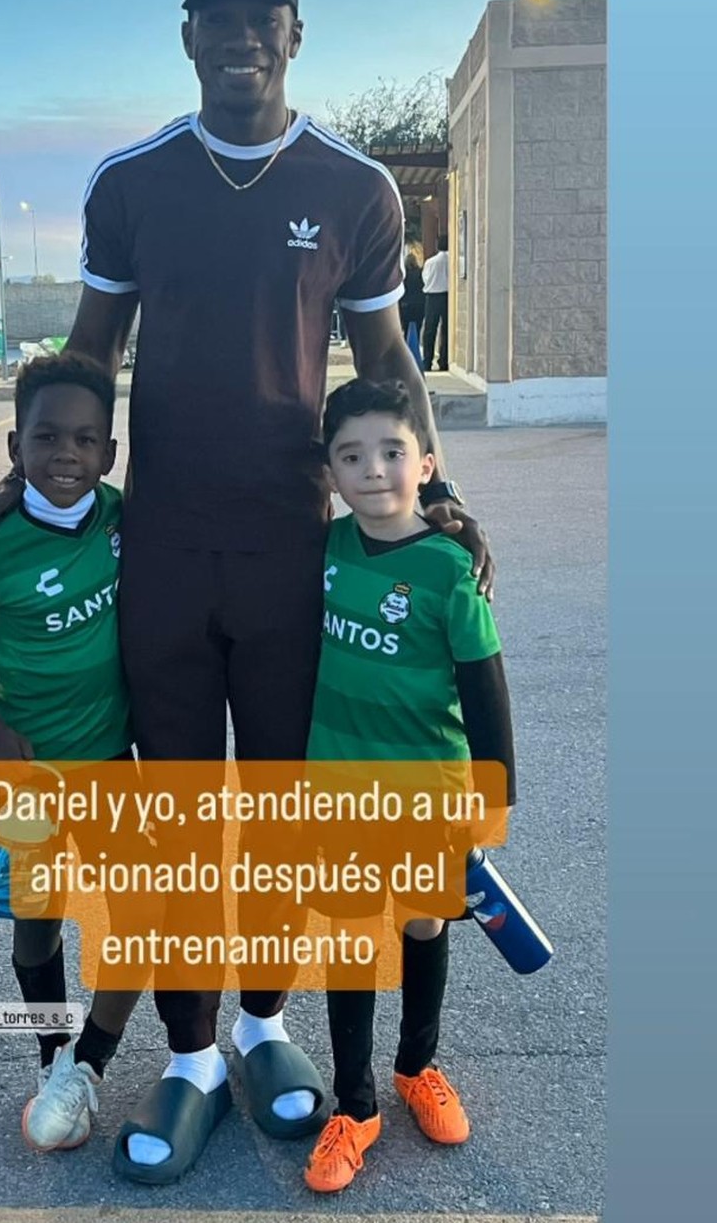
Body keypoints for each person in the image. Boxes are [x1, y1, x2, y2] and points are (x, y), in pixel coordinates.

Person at [0, 0, 493, 1182]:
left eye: (264, 17)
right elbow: (83, 359)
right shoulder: (132, 181)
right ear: (186, 32)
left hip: (295, 548)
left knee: (290, 806)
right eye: (219, 17)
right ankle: (189, 1056)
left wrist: (437, 490)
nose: (242, 38)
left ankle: (264, 1022)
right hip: (169, 552)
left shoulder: (356, 187)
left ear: (297, 33)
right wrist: (13, 483)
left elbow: (389, 366)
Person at [302, 377, 515, 1193]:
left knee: (423, 924)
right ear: (329, 471)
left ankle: (416, 1065)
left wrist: (493, 801)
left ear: (425, 462)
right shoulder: (323, 548)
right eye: (351, 455)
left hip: (427, 794)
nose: (373, 469)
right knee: (354, 936)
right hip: (341, 793)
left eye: (392, 451)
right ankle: (354, 1106)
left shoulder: (448, 566)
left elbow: (487, 691)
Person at [0, 353, 143, 1152]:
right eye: (47, 436)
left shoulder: (124, 518)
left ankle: (88, 1062)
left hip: (111, 766)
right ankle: (50, 1051)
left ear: (109, 453)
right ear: (16, 445)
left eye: (85, 439)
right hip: (29, 778)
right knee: (37, 920)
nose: (67, 453)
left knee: (137, 914)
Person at [421, 234, 450, 372]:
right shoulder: (452, 260)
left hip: (432, 297)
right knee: (446, 330)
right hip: (447, 296)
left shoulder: (430, 262)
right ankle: (444, 361)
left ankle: (427, 361)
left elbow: (425, 279)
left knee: (429, 330)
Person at [398, 248, 426, 348]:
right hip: (419, 303)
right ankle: (416, 345)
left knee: (406, 327)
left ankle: (406, 346)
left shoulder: (403, 275)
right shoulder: (420, 273)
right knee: (418, 326)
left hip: (406, 304)